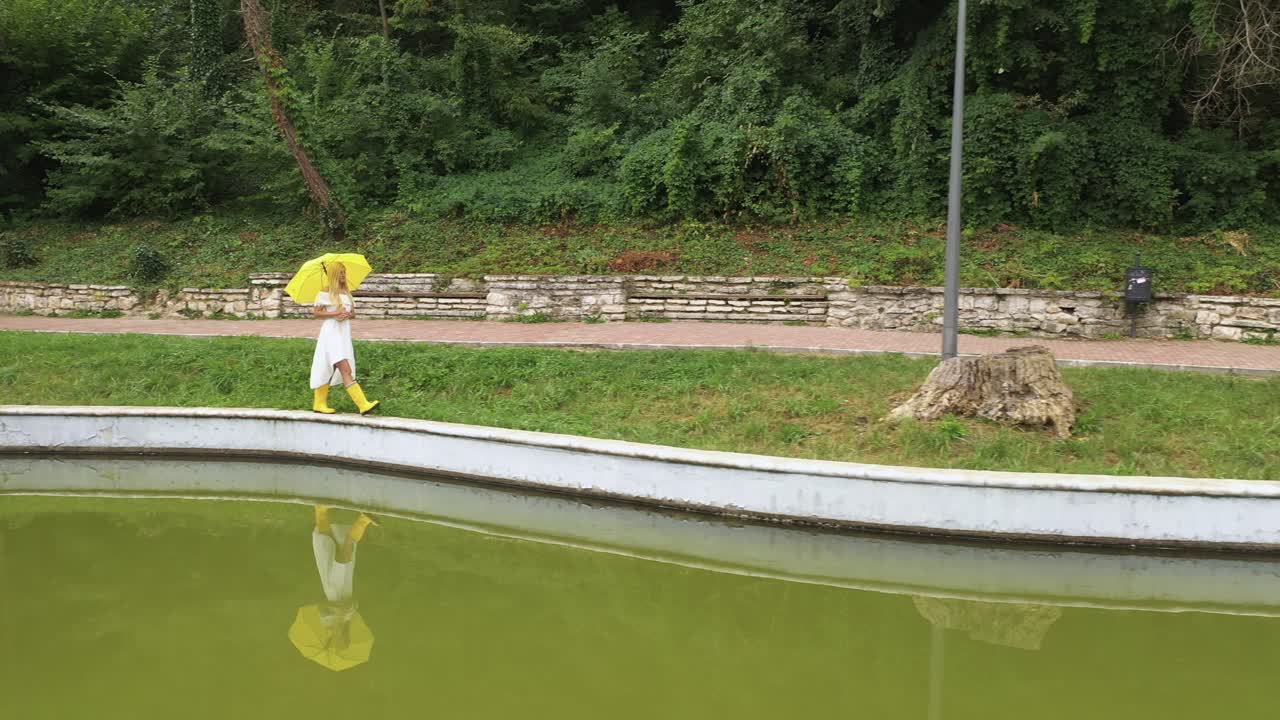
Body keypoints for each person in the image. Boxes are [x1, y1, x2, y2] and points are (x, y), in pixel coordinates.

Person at [309, 261, 380, 414]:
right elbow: (316, 313)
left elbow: (352, 313)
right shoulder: (326, 291)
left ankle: (319, 404)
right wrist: (335, 313)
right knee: (345, 369)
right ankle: (363, 404)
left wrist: (348, 314)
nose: (343, 275)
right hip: (331, 333)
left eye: (344, 272)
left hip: (343, 333)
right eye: (340, 272)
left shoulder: (346, 292)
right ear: (334, 274)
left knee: (331, 367)